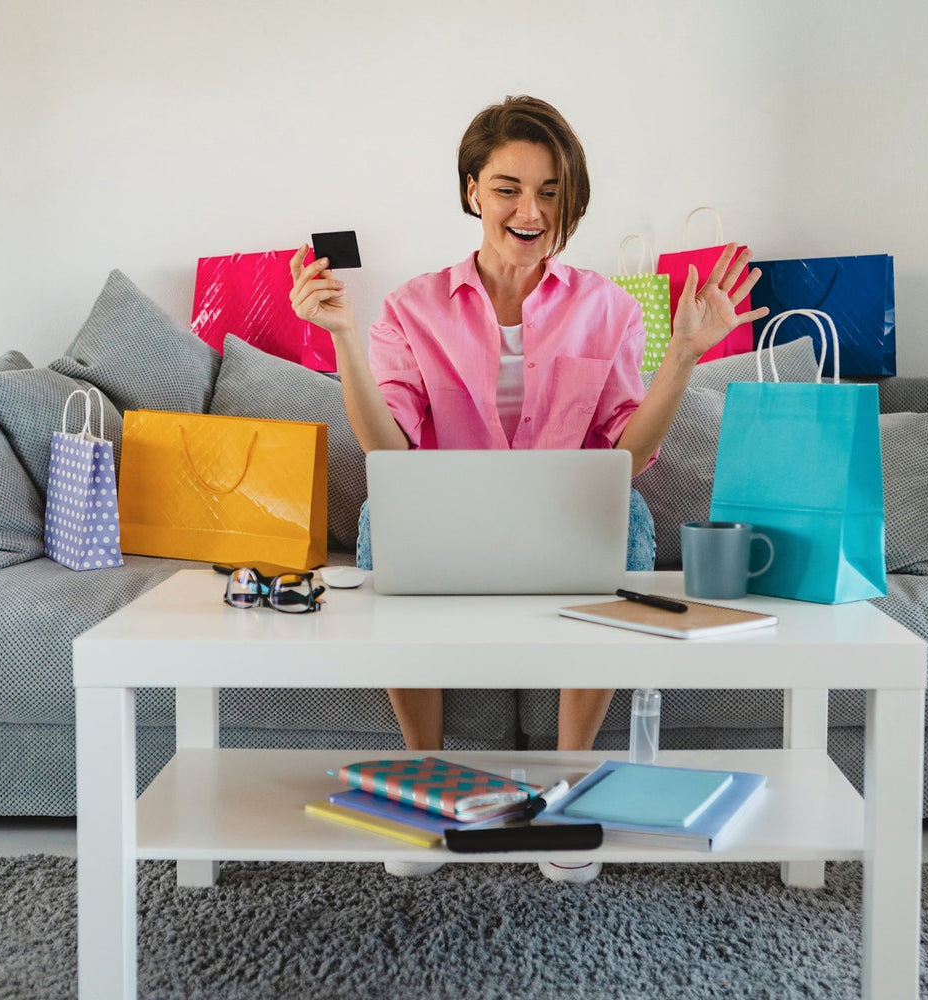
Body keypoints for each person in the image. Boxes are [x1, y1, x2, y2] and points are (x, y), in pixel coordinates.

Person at [290, 96, 767, 881]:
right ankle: (426, 777)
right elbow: (389, 450)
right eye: (509, 187)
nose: (530, 209)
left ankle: (570, 786)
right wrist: (343, 337)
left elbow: (627, 455)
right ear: (473, 188)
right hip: (443, 515)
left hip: (566, 518)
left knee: (632, 521)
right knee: (385, 516)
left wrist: (683, 355)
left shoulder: (607, 308)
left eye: (550, 191)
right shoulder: (411, 308)